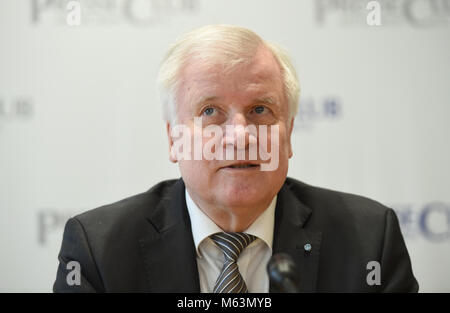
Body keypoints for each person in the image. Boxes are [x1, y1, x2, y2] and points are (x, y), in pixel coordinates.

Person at [53, 24, 418, 293]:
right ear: (173, 138)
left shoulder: (370, 241)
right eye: (210, 111)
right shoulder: (98, 250)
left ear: (288, 134)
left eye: (260, 109)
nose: (241, 135)